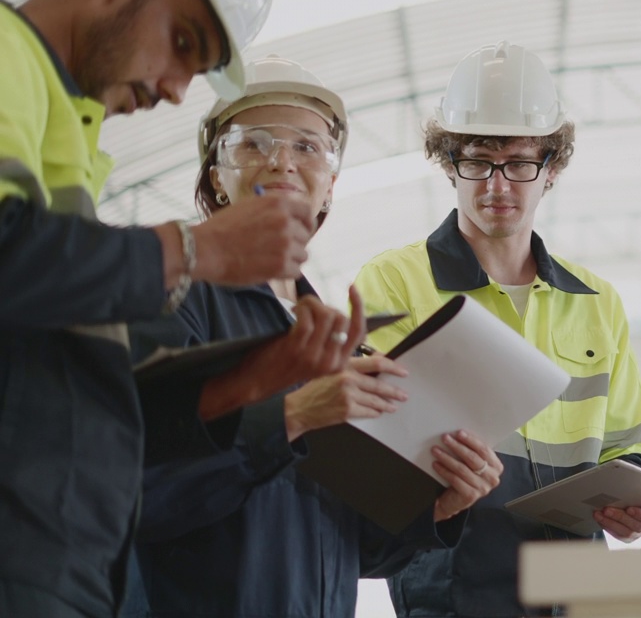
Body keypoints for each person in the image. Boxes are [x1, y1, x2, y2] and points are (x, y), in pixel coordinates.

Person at [0, 0, 338, 616]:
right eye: (183, 41)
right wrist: (192, 249)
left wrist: (258, 383)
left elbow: (83, 389)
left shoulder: (71, 141)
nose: (178, 88)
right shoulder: (5, 59)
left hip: (71, 567)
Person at [123, 56, 505, 618]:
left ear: (329, 186)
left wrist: (440, 505)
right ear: (215, 177)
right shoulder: (174, 298)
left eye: (307, 147)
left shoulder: (337, 337)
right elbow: (142, 492)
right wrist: (293, 416)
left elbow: (351, 546)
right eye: (253, 143)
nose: (281, 161)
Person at [354, 42, 641, 617]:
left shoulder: (596, 302)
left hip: (577, 587)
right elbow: (374, 452)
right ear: (448, 161)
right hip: (454, 583)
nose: (498, 186)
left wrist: (634, 500)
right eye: (478, 161)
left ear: (552, 169)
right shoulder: (392, 284)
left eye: (521, 163)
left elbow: (630, 444)